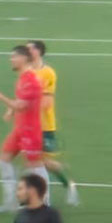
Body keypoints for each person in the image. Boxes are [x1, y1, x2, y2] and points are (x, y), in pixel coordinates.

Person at [0, 46, 49, 213]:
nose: (11, 59)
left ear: (23, 58)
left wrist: (0, 97)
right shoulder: (22, 78)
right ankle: (11, 203)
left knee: (34, 167)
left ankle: (44, 205)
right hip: (19, 129)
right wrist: (10, 110)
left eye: (14, 57)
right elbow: (19, 100)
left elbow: (21, 105)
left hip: (30, 131)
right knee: (3, 160)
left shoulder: (31, 81)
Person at [28, 40, 80, 206]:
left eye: (29, 49)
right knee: (35, 161)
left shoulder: (48, 73)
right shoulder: (26, 72)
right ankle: (40, 197)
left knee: (43, 162)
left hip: (45, 125)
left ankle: (67, 185)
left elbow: (47, 102)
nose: (27, 51)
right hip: (30, 125)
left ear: (38, 52)